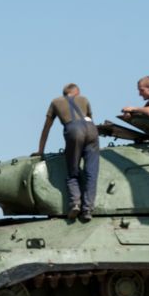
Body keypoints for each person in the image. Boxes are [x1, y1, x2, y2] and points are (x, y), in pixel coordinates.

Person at [33, 83, 99, 222]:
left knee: (72, 172)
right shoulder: (84, 99)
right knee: (91, 172)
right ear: (76, 92)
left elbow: (47, 127)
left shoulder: (56, 101)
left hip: (74, 131)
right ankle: (87, 210)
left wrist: (40, 150)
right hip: (92, 131)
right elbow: (91, 121)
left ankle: (75, 203)